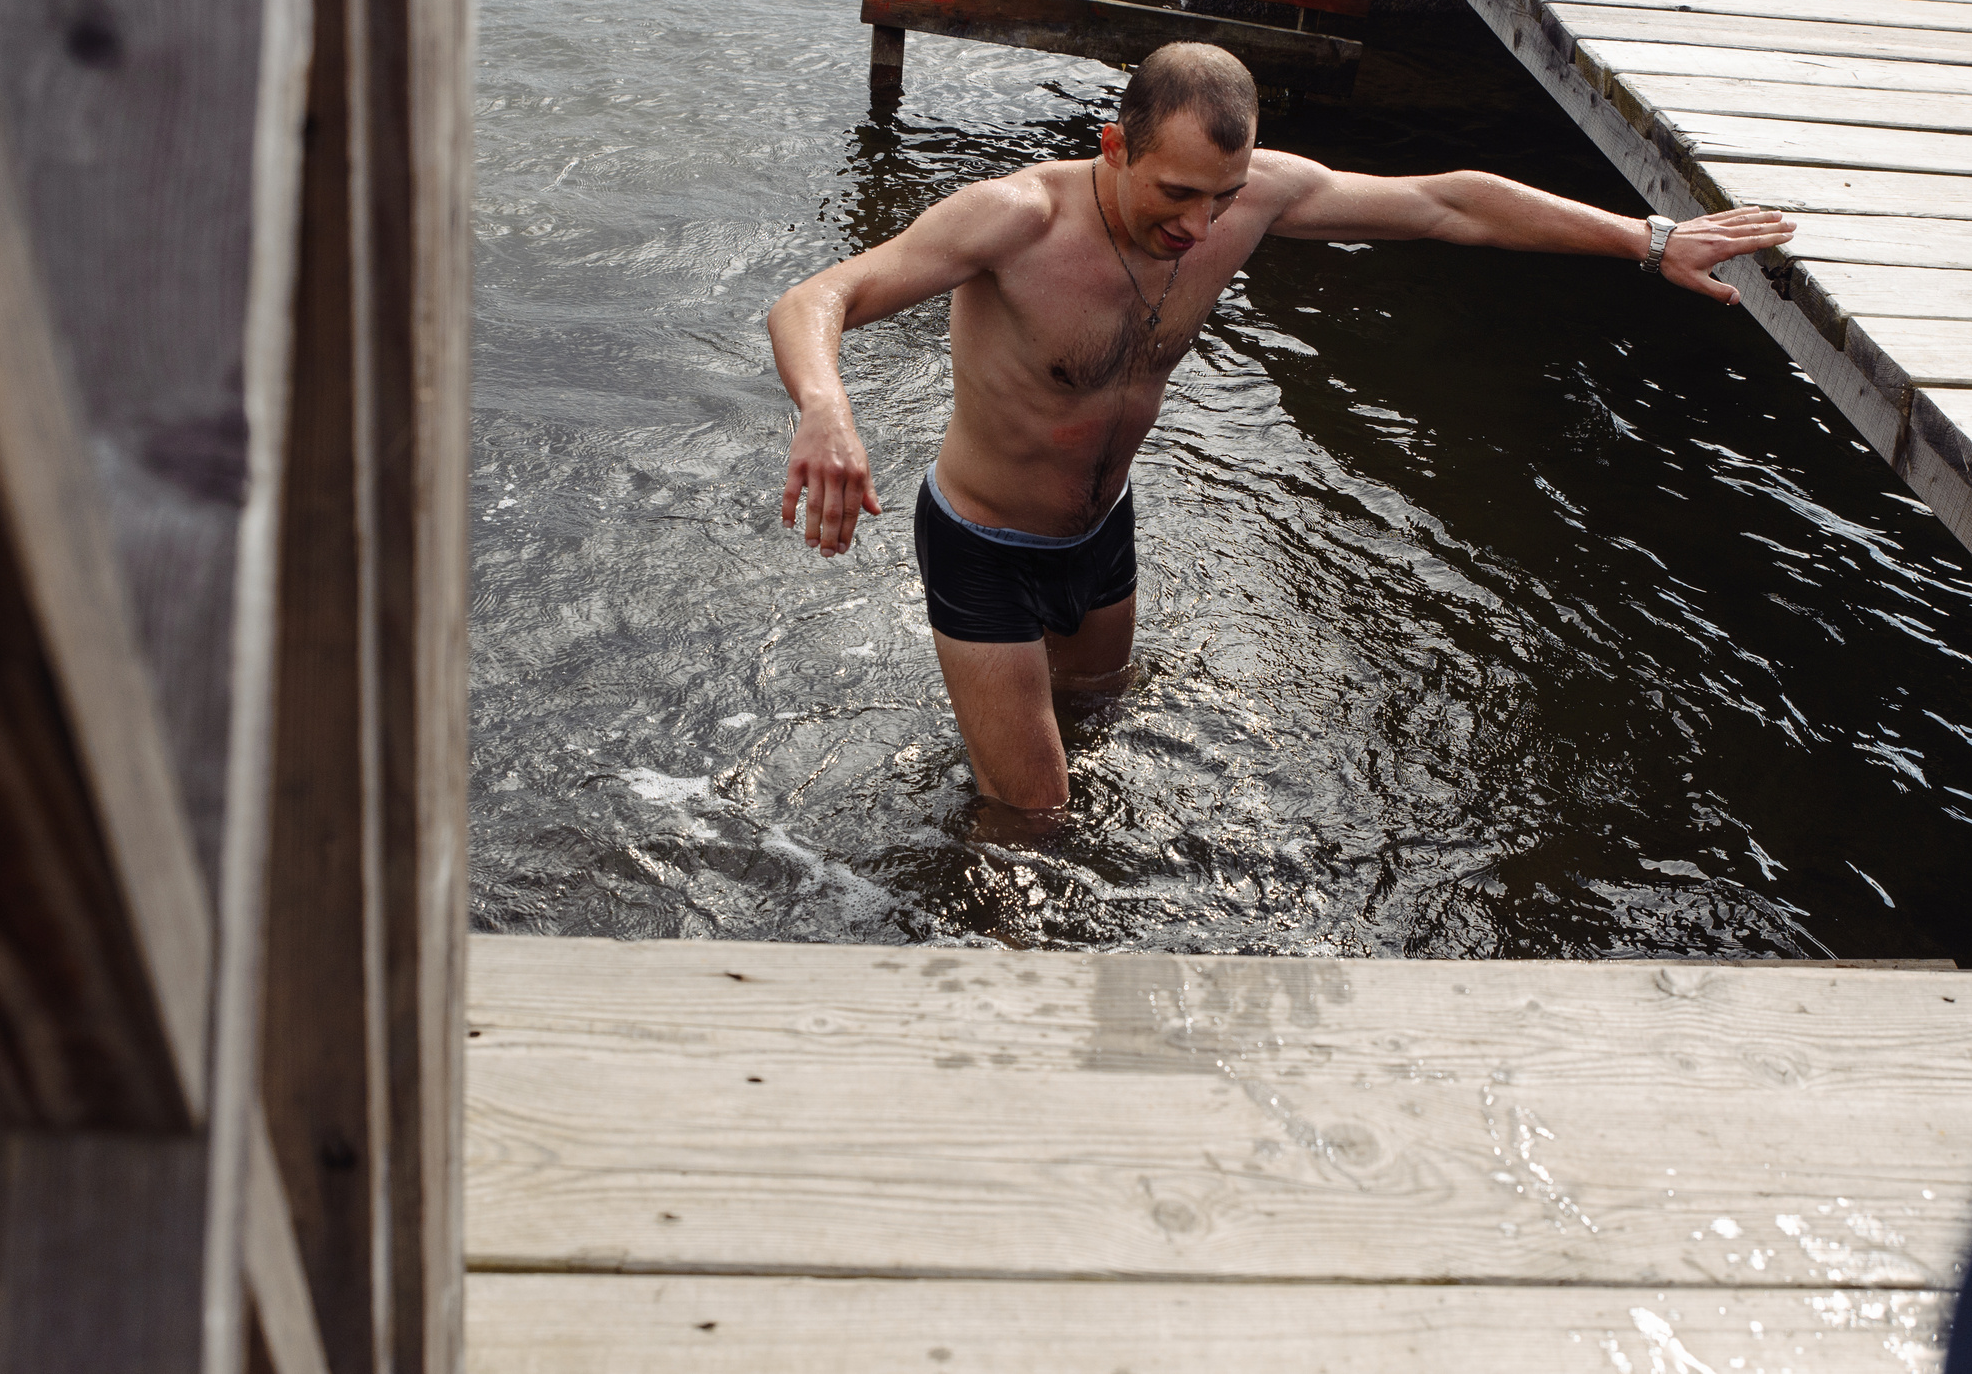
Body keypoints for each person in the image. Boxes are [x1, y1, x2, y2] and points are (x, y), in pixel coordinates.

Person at [767, 42, 1794, 817]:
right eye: (1173, 193)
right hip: (985, 545)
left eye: (1221, 196)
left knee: (1096, 721)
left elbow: (1445, 206)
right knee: (1035, 815)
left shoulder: (1244, 202)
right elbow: (819, 296)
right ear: (1113, 146)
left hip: (1100, 534)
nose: (1198, 227)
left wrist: (1646, 238)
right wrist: (826, 406)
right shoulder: (1013, 218)